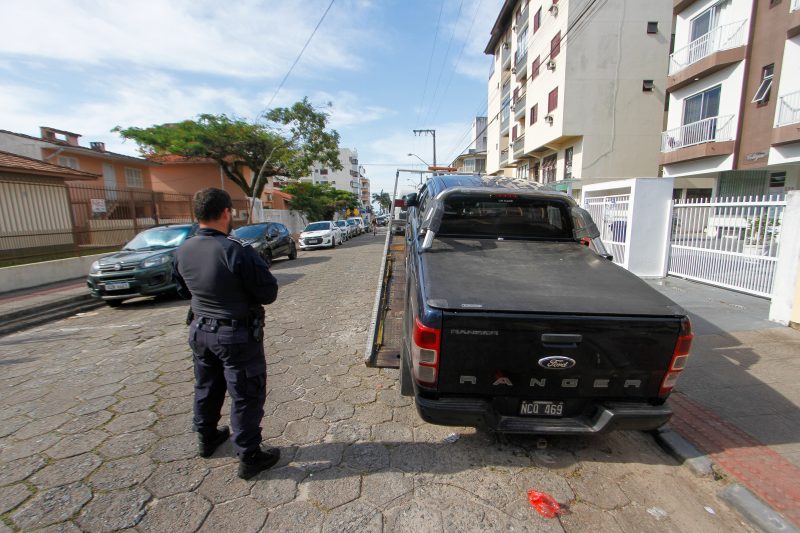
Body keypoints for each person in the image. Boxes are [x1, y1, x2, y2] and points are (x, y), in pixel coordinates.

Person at [173, 188, 281, 480]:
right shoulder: (236, 249)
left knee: (206, 386)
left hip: (199, 331)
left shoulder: (183, 249)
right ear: (225, 213)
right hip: (235, 336)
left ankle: (206, 438)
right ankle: (249, 456)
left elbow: (183, 289)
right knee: (245, 393)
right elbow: (268, 292)